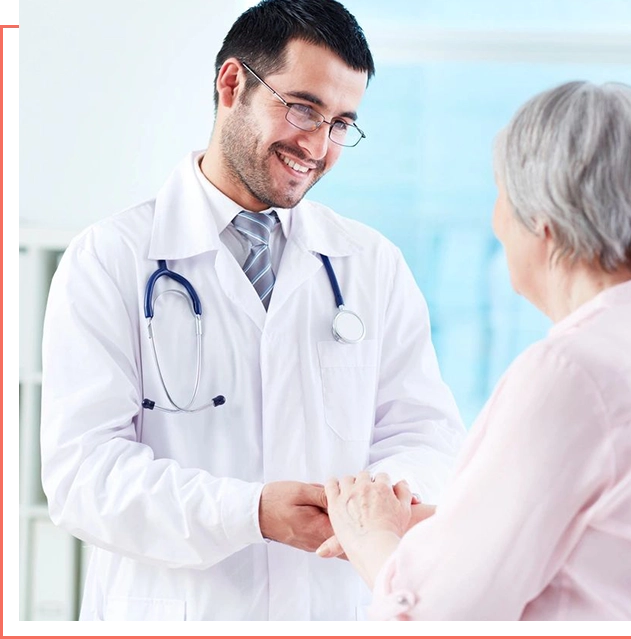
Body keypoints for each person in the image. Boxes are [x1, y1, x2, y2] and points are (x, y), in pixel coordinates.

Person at [39, 0, 465, 624]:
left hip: (333, 610)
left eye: (341, 123)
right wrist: (250, 513)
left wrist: (374, 500)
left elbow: (427, 434)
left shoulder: (370, 264)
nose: (317, 146)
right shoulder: (110, 259)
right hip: (181, 614)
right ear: (233, 84)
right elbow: (84, 476)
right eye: (303, 109)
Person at [320, 80, 631, 623]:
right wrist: (453, 525)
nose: (496, 221)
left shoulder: (571, 372)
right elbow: (607, 540)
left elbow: (435, 618)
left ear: (545, 222)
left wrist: (371, 535)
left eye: (501, 197)